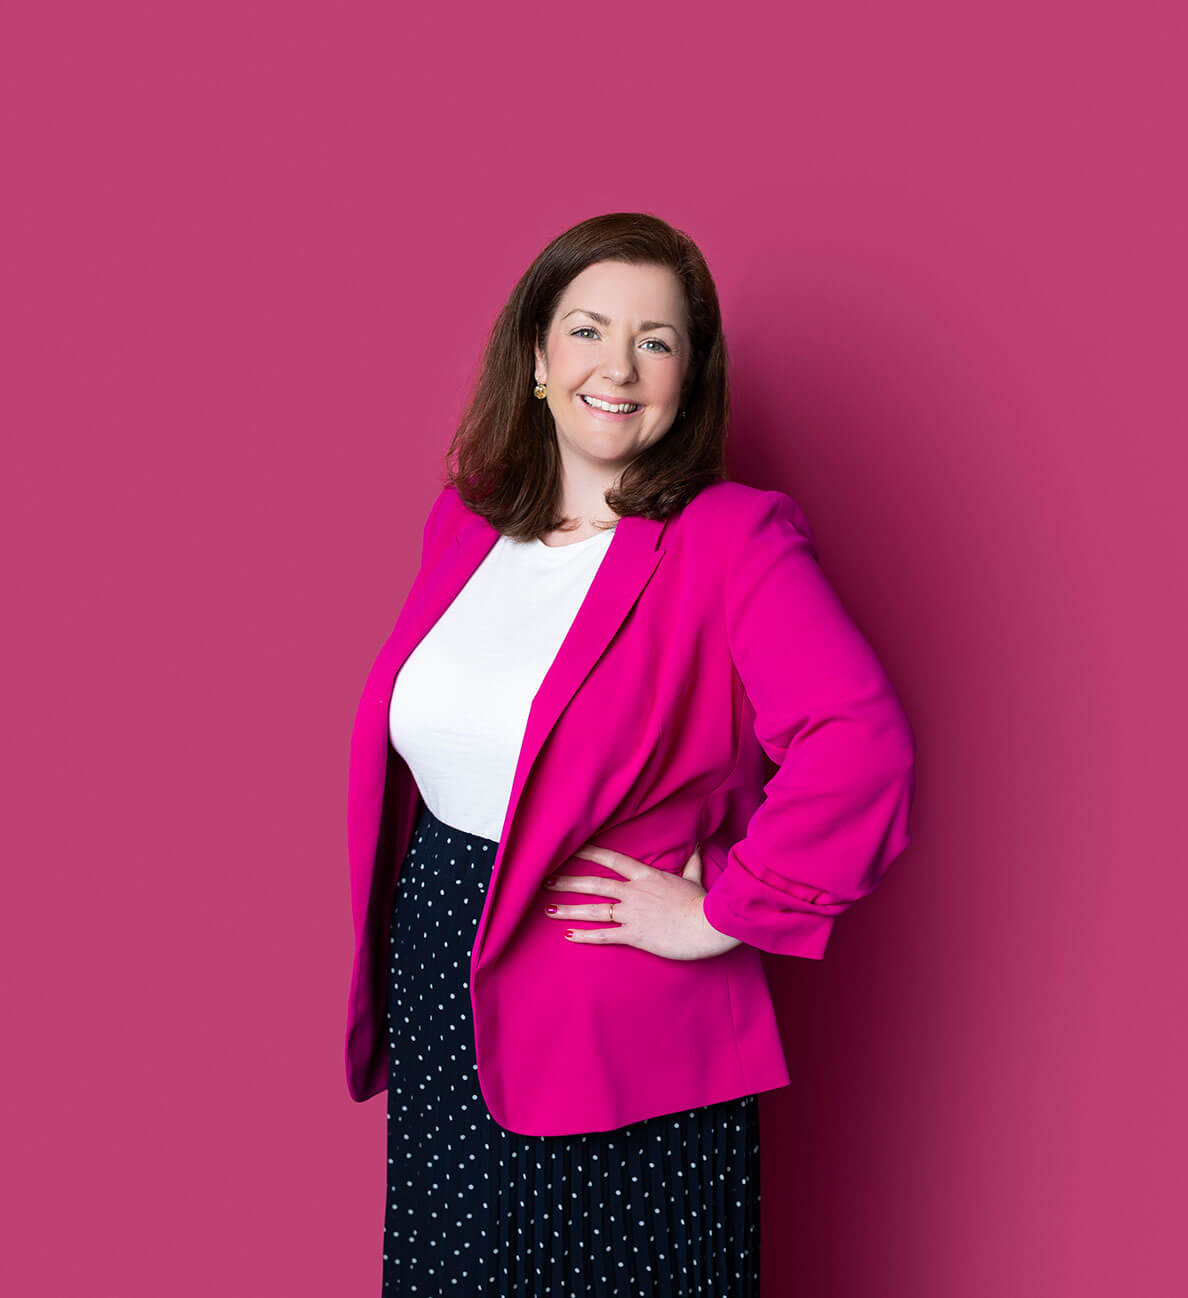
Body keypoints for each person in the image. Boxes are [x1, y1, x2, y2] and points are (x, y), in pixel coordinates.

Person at [343, 212, 917, 1296]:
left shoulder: (734, 539)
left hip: (613, 1017)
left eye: (656, 339)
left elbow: (861, 741)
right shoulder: (466, 524)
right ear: (538, 357)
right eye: (590, 329)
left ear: (689, 377)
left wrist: (726, 907)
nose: (620, 364)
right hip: (441, 971)